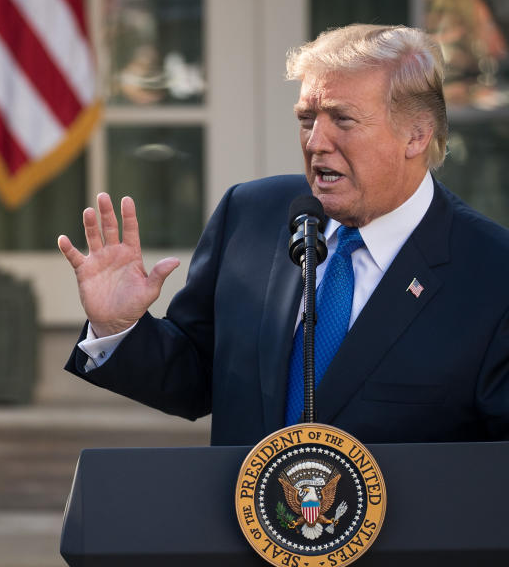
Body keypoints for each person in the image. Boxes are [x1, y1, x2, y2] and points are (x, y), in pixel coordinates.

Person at [58, 24, 509, 446]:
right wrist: (120, 327)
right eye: (307, 118)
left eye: (343, 120)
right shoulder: (251, 215)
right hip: (240, 525)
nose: (315, 142)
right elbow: (196, 378)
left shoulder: (492, 271)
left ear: (415, 136)